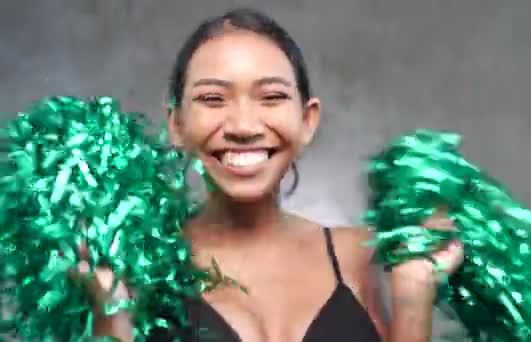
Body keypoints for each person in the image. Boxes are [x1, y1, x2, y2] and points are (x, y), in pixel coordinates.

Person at [87, 8, 464, 342]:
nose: (243, 125)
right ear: (176, 124)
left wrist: (413, 298)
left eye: (271, 97)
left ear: (307, 120)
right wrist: (111, 315)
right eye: (213, 99)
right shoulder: (140, 267)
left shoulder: (359, 256)